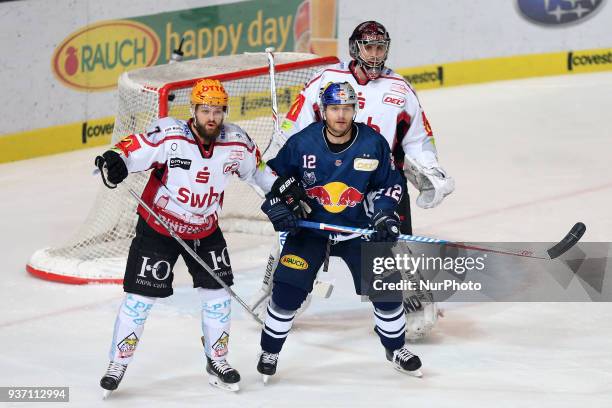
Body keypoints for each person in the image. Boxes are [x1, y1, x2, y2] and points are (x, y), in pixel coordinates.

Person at [94, 78, 302, 396]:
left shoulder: (237, 142)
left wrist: (281, 189)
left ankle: (217, 361)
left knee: (218, 299)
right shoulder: (170, 134)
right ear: (193, 109)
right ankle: (118, 363)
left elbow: (258, 172)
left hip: (205, 231)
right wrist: (115, 160)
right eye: (205, 110)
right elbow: (130, 149)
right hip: (159, 229)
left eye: (218, 111)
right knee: (139, 301)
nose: (212, 117)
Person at [253, 20, 454, 340]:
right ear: (354, 49)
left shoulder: (399, 89)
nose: (375, 55)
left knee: (392, 247)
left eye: (380, 47)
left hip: (377, 183)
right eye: (368, 47)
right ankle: (279, 287)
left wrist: (430, 168)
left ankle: (406, 301)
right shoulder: (326, 81)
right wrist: (283, 178)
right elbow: (294, 132)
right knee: (300, 237)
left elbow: (417, 139)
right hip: (322, 179)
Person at [257, 81, 423, 383]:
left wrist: (385, 213)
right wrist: (277, 203)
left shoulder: (372, 143)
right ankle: (270, 351)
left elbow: (390, 183)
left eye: (347, 108)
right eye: (335, 108)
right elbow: (271, 175)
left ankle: (395, 349)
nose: (341, 115)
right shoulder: (302, 143)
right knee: (287, 292)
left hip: (357, 230)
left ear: (355, 109)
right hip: (309, 231)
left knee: (387, 291)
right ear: (323, 111)